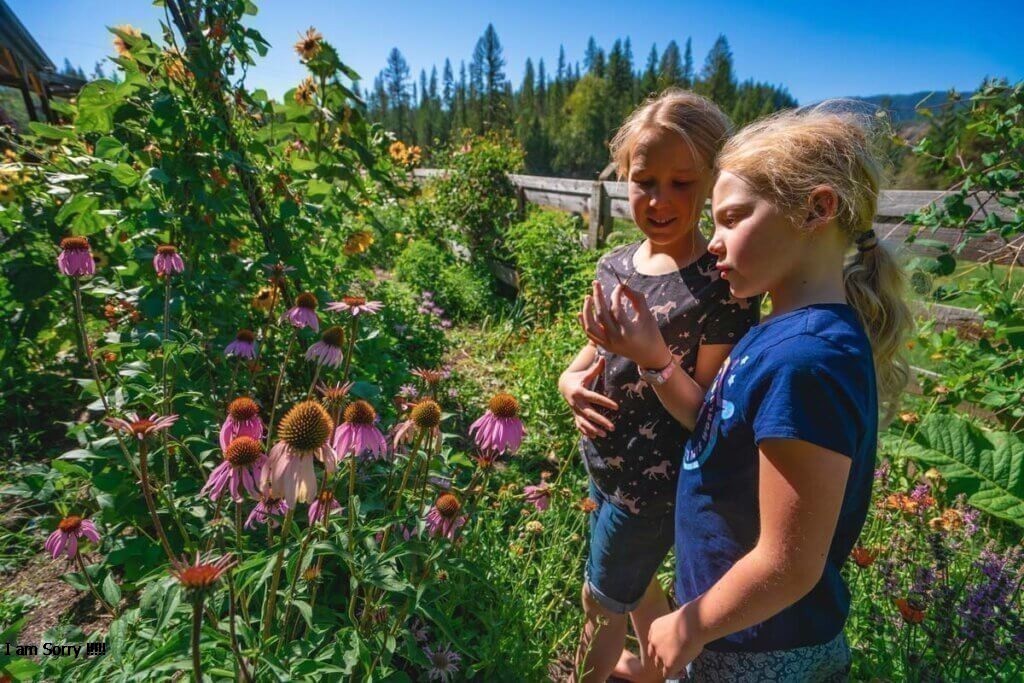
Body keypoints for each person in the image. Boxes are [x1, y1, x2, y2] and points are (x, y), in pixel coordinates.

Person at [583, 105, 912, 681]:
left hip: (762, 650)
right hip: (732, 629)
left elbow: (789, 563)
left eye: (732, 219)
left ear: (817, 208)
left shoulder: (807, 361)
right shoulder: (777, 335)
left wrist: (691, 624)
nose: (714, 243)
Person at [561, 90, 759, 683]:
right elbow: (592, 355)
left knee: (599, 604)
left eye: (681, 182)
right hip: (604, 463)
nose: (660, 199)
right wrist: (570, 382)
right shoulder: (617, 264)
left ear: (712, 181)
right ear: (624, 174)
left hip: (653, 487)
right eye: (645, 180)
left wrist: (652, 359)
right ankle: (658, 673)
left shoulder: (722, 286)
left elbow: (708, 413)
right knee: (637, 581)